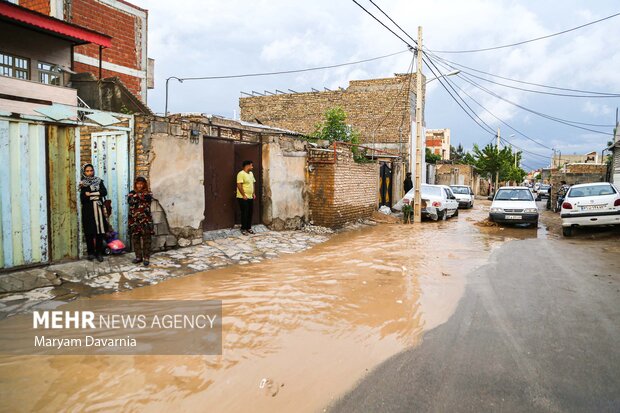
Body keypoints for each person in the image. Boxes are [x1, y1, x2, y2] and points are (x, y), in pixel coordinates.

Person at [79, 163, 108, 262]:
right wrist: (97, 194)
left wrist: (90, 194)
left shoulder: (99, 181)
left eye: (91, 170)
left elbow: (104, 192)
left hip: (98, 210)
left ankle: (99, 253)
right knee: (89, 232)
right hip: (88, 211)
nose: (89, 172)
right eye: (87, 171)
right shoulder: (82, 183)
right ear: (84, 172)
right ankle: (90, 253)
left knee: (99, 232)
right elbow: (83, 198)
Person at [128, 177, 154, 266]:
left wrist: (138, 197)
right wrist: (138, 197)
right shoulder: (131, 193)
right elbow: (130, 201)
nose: (140, 185)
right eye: (138, 183)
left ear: (144, 184)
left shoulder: (149, 193)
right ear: (135, 184)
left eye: (141, 183)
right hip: (134, 221)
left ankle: (146, 257)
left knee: (147, 240)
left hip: (146, 221)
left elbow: (147, 198)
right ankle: (138, 257)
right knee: (135, 239)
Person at [236, 160, 256, 235]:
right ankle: (243, 228)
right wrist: (243, 195)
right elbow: (239, 185)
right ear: (247, 166)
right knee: (244, 212)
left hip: (250, 197)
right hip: (242, 197)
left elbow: (253, 183)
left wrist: (253, 193)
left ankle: (249, 228)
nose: (252, 167)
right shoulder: (241, 174)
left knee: (250, 212)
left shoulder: (251, 173)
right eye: (251, 165)